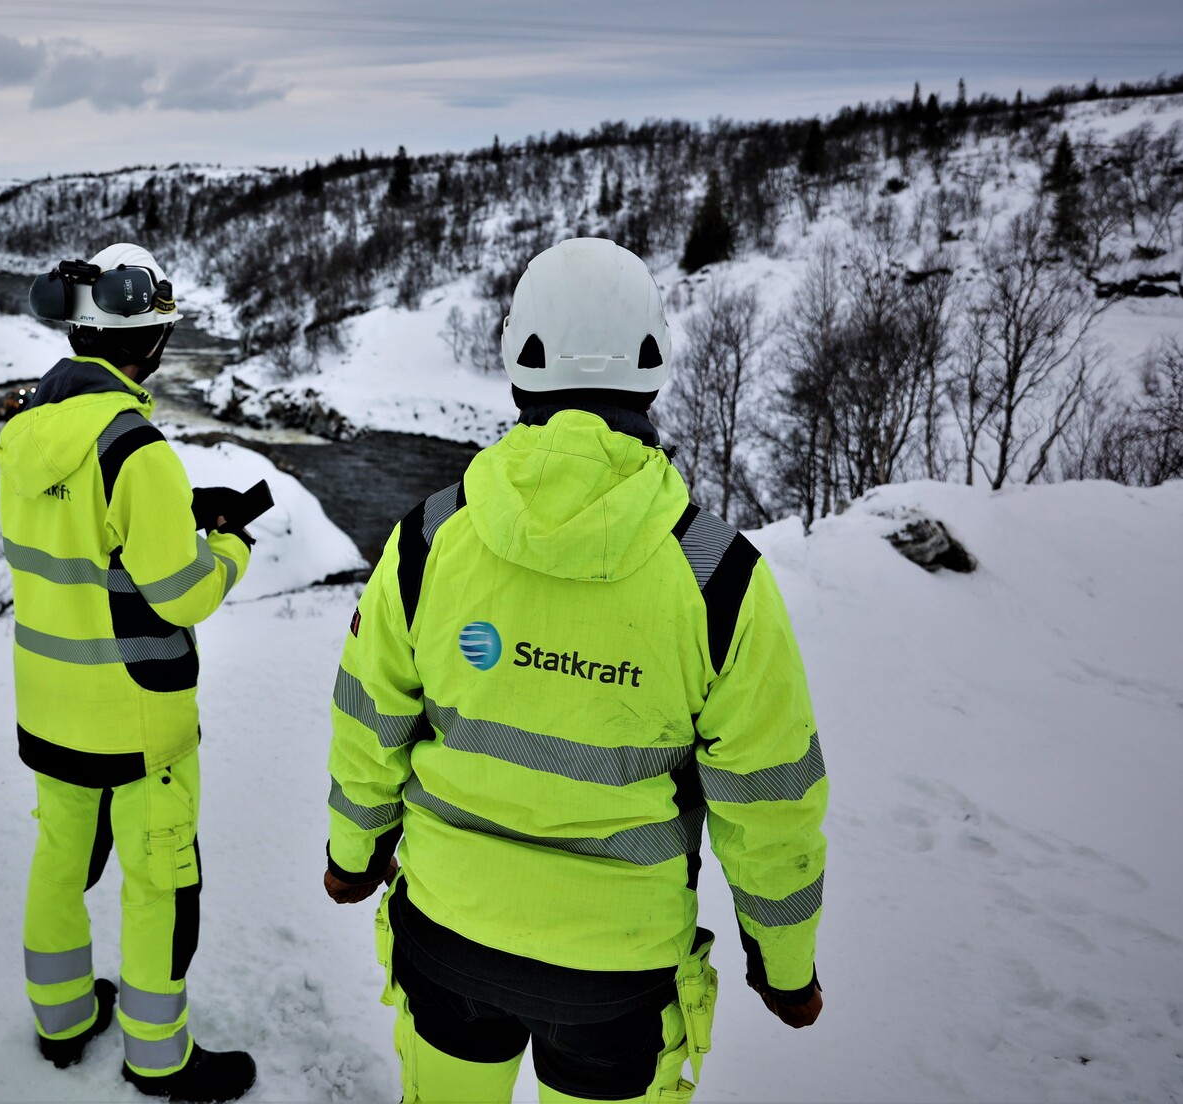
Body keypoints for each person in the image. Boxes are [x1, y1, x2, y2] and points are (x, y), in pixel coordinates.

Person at [323, 238, 827, 1103]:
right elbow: (768, 796)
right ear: (652, 367)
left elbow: (372, 718)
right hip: (613, 976)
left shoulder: (433, 537)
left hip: (447, 931)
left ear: (519, 362)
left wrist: (350, 853)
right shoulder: (719, 576)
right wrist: (785, 965)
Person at [0, 243, 259, 1102]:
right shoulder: (137, 451)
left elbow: (78, 553)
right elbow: (181, 595)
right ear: (151, 343)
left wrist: (161, 520)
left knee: (60, 862)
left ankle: (63, 1016)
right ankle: (158, 1056)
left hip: (49, 705)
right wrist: (225, 546)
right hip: (138, 719)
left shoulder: (27, 430)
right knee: (158, 881)